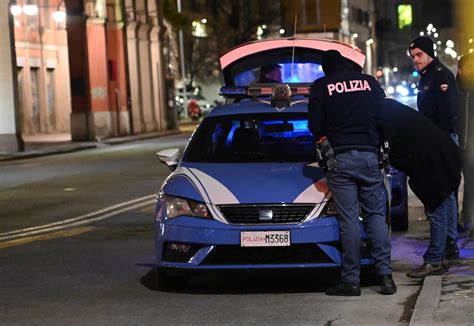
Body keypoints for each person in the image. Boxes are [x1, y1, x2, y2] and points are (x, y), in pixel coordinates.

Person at [308, 50, 396, 296]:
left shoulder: (322, 86)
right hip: (369, 156)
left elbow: (314, 124)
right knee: (376, 217)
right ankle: (386, 278)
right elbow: (385, 117)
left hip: (340, 160)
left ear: (326, 69)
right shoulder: (369, 82)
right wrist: (382, 146)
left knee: (349, 221)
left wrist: (323, 142)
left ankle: (351, 281)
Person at [378, 99, 462, 278]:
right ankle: (444, 251)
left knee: (436, 209)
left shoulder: (381, 116)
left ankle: (434, 261)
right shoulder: (388, 108)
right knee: (445, 204)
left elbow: (388, 146)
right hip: (444, 154)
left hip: (433, 162)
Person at [408, 36, 460, 260]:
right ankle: (450, 241)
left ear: (429, 53)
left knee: (443, 192)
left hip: (443, 140)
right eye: (412, 57)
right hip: (438, 139)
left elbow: (447, 113)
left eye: (419, 55)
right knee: (446, 193)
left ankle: (448, 242)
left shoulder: (440, 75)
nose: (415, 60)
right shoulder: (427, 76)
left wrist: (436, 141)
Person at [457, 53, 474, 236]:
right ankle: (455, 223)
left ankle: (468, 219)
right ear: (461, 70)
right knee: (451, 186)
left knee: (472, 183)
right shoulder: (454, 91)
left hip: (472, 146)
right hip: (456, 144)